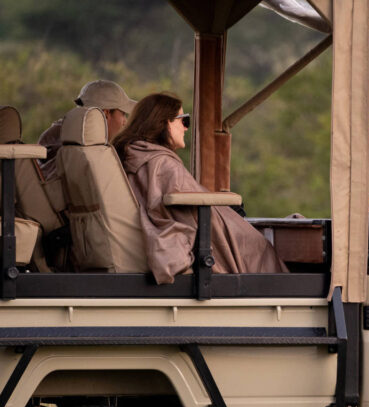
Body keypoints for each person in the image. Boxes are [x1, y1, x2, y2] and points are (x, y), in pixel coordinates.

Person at [112, 92, 287, 284]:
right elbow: (187, 213)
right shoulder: (162, 164)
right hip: (202, 243)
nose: (186, 128)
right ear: (165, 122)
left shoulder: (132, 156)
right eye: (183, 120)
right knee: (257, 248)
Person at [39, 80, 136, 179]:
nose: (125, 121)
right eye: (123, 114)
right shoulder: (92, 157)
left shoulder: (57, 140)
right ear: (106, 113)